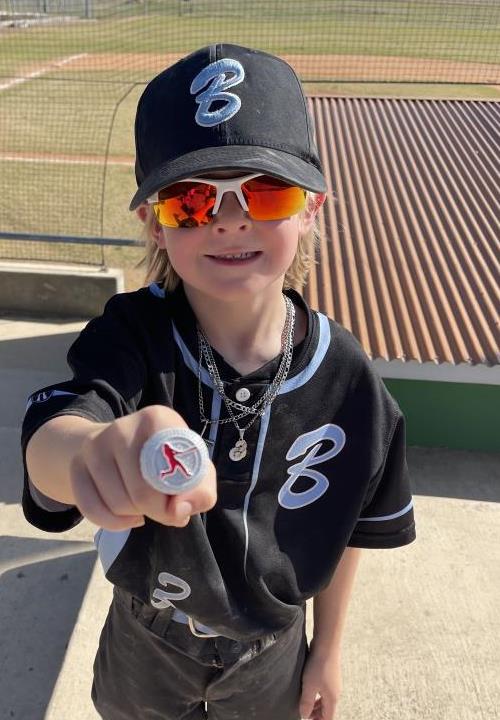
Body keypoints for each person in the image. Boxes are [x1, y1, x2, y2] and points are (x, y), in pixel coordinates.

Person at [21, 44, 416, 720]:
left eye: (267, 192)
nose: (231, 219)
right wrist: (88, 454)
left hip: (274, 647)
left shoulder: (346, 374)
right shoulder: (133, 335)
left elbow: (351, 524)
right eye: (191, 200)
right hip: (147, 633)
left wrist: (327, 651)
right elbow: (59, 431)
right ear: (153, 222)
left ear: (312, 208)